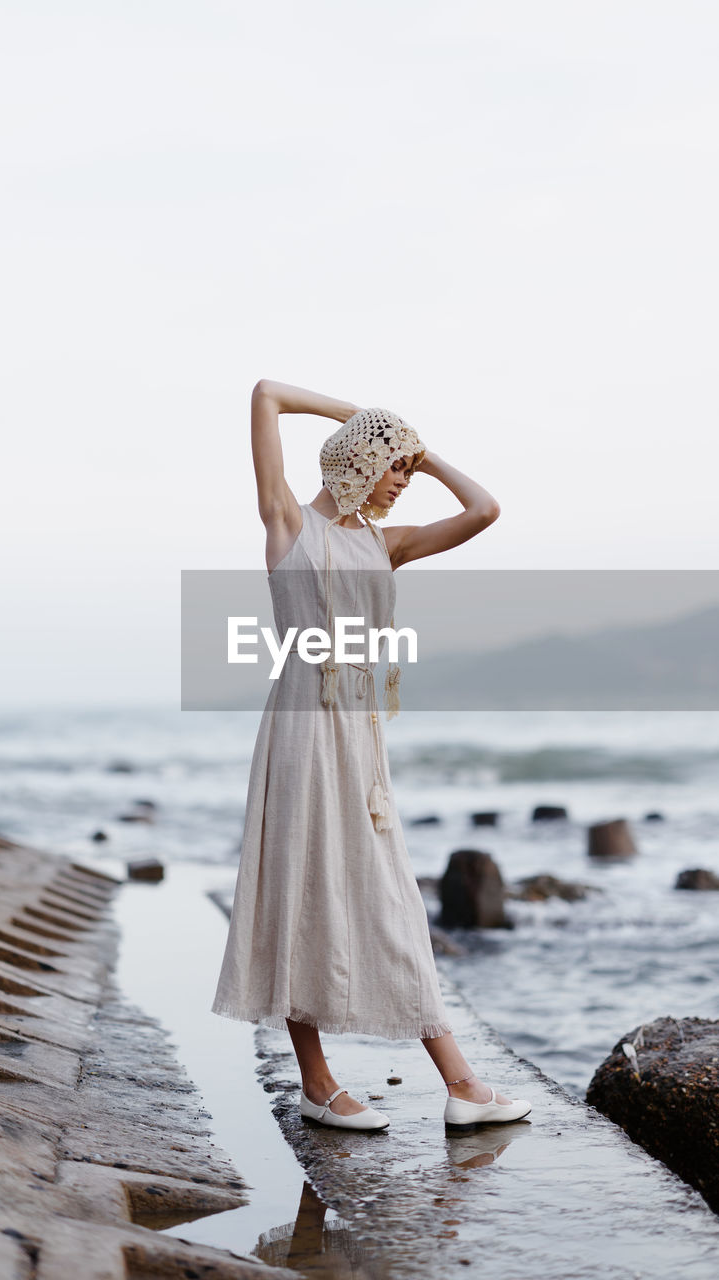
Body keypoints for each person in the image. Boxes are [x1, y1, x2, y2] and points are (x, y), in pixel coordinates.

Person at [211, 379, 532, 1132]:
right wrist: (353, 416)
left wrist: (423, 452)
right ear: (360, 459)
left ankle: (460, 1085)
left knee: (388, 899)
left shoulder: (388, 545)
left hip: (359, 737)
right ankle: (320, 1084)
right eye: (395, 467)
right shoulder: (289, 525)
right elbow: (264, 396)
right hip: (299, 729)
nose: (402, 482)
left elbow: (483, 509)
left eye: (408, 472)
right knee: (297, 893)